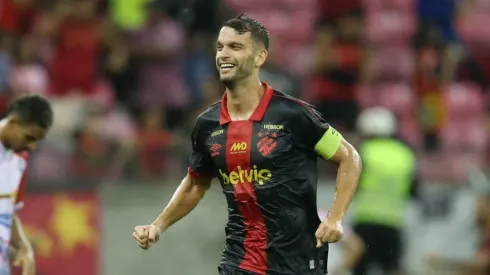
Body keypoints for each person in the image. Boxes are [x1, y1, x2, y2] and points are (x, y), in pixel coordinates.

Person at [133, 14, 362, 275]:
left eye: (235, 47)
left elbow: (349, 157)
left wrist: (335, 217)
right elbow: (196, 182)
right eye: (220, 47)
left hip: (297, 262)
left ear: (260, 58)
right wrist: (158, 225)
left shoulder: (293, 115)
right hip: (239, 260)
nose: (223, 54)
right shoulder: (208, 125)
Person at [351, 107, 419, 275]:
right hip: (393, 222)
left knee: (360, 269)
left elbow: (350, 184)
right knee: (391, 268)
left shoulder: (364, 150)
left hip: (365, 221)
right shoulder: (406, 154)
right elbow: (413, 190)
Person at [0, 94, 53, 275]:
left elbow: (7, 210)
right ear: (13, 123)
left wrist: (24, 247)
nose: (32, 146)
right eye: (29, 137)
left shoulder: (20, 160)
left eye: (37, 140)